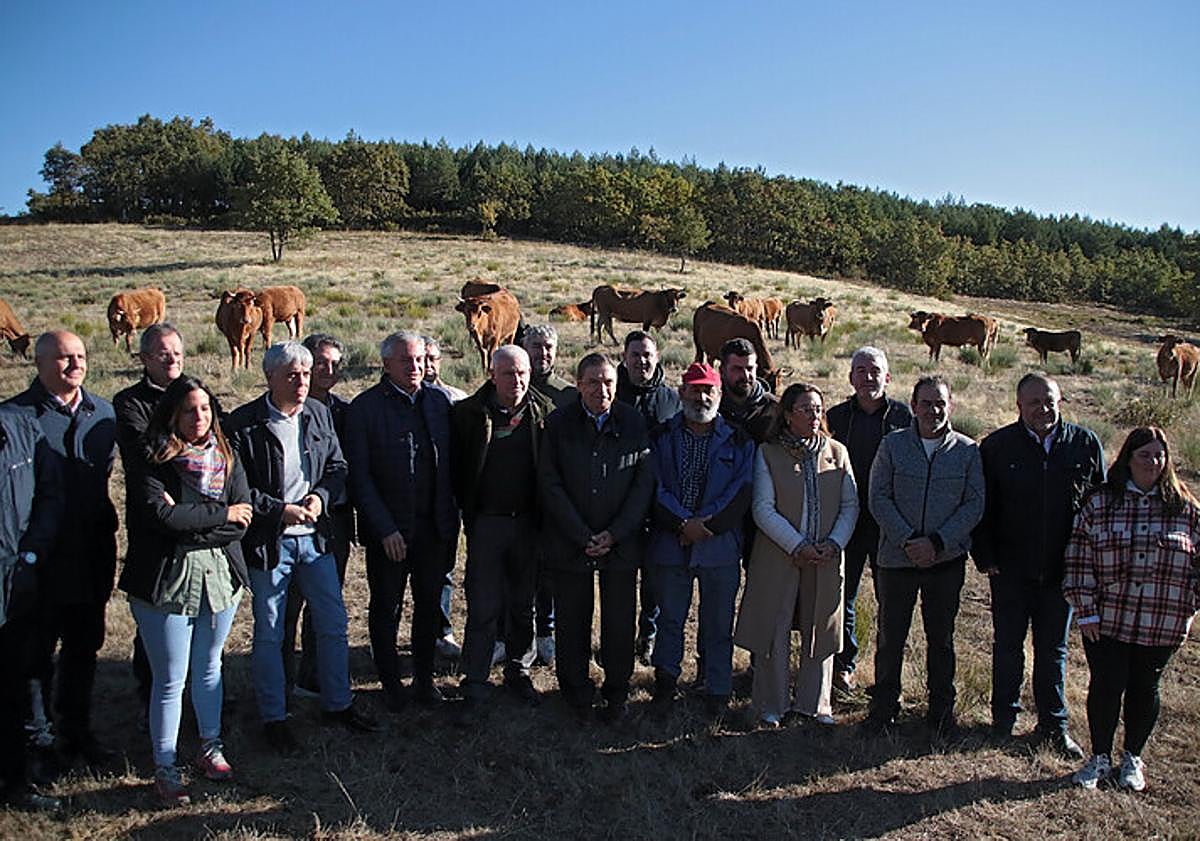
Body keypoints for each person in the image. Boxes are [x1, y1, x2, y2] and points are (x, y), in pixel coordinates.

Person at [227, 342, 375, 755]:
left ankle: (338, 704)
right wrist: (280, 511)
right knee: (271, 633)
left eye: (306, 375)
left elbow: (337, 467)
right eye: (292, 375)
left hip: (317, 538)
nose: (302, 382)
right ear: (269, 377)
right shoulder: (243, 425)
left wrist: (320, 499)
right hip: (271, 544)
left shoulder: (318, 413)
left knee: (333, 623)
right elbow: (237, 492)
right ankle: (275, 717)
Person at [119, 376, 252, 806]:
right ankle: (165, 765)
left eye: (206, 409)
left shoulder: (225, 455)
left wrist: (194, 520)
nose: (200, 418)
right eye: (190, 410)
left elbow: (242, 515)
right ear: (172, 415)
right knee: (171, 678)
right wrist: (217, 516)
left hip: (219, 578)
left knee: (210, 666)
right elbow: (160, 517)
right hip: (166, 580)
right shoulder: (152, 457)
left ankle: (210, 747)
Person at [973, 373, 1105, 757]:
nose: (1042, 409)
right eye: (1033, 402)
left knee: (1053, 650)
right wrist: (987, 557)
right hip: (1010, 568)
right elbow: (983, 507)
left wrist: (1090, 565)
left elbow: (1100, 506)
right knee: (1007, 646)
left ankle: (1053, 725)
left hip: (1063, 571)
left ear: (1060, 401)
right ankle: (1003, 721)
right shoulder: (997, 447)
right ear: (1018, 406)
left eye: (1049, 401)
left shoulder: (1083, 444)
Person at [1064, 426, 1200, 792]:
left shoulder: (1185, 509)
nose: (1153, 462)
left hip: (1162, 620)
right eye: (1144, 455)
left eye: (1159, 455)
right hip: (1108, 618)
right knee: (1106, 686)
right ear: (1128, 458)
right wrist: (1085, 609)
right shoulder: (1101, 503)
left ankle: (1132, 758)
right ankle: (1100, 758)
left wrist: (1189, 612)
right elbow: (1079, 558)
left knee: (1145, 687)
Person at [5, 331, 118, 767]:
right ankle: (37, 739)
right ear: (39, 364)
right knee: (34, 655)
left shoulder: (101, 413)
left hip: (91, 552)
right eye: (64, 358)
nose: (75, 365)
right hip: (39, 557)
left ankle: (77, 730)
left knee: (84, 646)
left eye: (81, 356)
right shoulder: (16, 418)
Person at [864, 375, 984, 735]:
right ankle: (883, 709)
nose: (933, 410)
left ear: (951, 407)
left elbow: (974, 504)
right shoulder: (893, 446)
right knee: (890, 638)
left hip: (944, 562)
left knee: (941, 638)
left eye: (940, 403)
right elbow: (878, 497)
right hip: (896, 560)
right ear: (913, 407)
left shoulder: (967, 451)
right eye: (926, 403)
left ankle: (941, 712)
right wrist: (908, 540)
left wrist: (937, 542)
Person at [344, 332, 458, 711]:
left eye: (422, 360)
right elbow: (359, 477)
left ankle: (424, 680)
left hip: (433, 529)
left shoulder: (439, 402)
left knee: (428, 606)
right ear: (386, 364)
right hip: (389, 533)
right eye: (407, 361)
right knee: (386, 608)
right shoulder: (365, 409)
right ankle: (391, 683)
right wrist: (384, 528)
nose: (417, 368)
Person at [539, 352, 654, 723]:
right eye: (592, 382)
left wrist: (615, 533)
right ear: (578, 385)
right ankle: (575, 692)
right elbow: (550, 484)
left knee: (619, 622)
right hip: (570, 541)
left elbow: (643, 484)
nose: (601, 389)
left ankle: (616, 692)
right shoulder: (559, 423)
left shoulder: (634, 422)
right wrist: (580, 533)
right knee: (572, 619)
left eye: (607, 382)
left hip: (619, 543)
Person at [734, 384, 858, 727]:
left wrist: (833, 543)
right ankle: (770, 705)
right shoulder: (768, 453)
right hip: (779, 555)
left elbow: (850, 504)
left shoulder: (838, 452)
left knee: (821, 627)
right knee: (774, 626)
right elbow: (763, 508)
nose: (814, 415)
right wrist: (796, 545)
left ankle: (815, 705)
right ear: (787, 416)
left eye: (818, 409)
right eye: (805, 409)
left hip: (826, 556)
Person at [451, 345, 554, 725]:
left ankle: (518, 669)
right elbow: (456, 469)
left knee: (522, 601)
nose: (518, 381)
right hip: (487, 523)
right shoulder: (468, 415)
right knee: (483, 602)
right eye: (510, 374)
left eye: (524, 374)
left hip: (529, 523)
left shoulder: (544, 414)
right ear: (493, 375)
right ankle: (475, 678)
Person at [647, 363, 754, 718]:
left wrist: (706, 526)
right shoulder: (661, 435)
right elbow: (653, 485)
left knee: (718, 622)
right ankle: (665, 685)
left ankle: (717, 689)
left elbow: (742, 490)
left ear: (720, 394)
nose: (701, 397)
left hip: (719, 546)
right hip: (670, 542)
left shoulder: (739, 440)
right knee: (670, 619)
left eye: (708, 390)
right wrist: (681, 522)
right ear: (681, 393)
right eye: (694, 390)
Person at [825, 347, 911, 697]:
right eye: (860, 370)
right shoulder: (835, 417)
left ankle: (888, 678)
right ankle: (844, 666)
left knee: (891, 602)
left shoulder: (905, 419)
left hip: (891, 525)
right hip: (846, 522)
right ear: (850, 378)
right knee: (841, 598)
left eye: (874, 370)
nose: (867, 377)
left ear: (887, 377)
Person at [113, 323, 186, 721]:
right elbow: (146, 451)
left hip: (197, 520)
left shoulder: (197, 392)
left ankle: (192, 694)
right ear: (143, 358)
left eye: (176, 351)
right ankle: (149, 693)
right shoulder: (129, 402)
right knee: (155, 610)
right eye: (162, 353)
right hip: (154, 523)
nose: (171, 359)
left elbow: (223, 450)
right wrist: (194, 449)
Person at [284, 333, 356, 699]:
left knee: (325, 601)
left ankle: (312, 675)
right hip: (288, 521)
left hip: (335, 519)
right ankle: (282, 677)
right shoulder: (280, 411)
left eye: (334, 364)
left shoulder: (344, 411)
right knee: (286, 605)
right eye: (320, 363)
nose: (328, 371)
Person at [0, 404, 64, 811]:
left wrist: (31, 555)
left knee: (14, 681)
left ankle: (16, 780)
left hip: (16, 577)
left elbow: (49, 494)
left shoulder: (20, 428)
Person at [616, 330, 681, 665]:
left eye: (647, 355)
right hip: (619, 504)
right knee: (622, 578)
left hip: (660, 505)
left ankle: (649, 633)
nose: (641, 361)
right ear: (624, 358)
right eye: (635, 355)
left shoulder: (671, 399)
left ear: (657, 358)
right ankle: (620, 639)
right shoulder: (611, 394)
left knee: (655, 578)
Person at [522, 323, 577, 666]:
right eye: (535, 346)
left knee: (550, 572)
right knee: (519, 570)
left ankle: (547, 632)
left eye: (548, 347)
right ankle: (518, 634)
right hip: (518, 495)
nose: (542, 353)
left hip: (557, 498)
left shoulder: (568, 395)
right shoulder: (510, 384)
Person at [424, 335, 465, 659]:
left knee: (444, 570)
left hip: (447, 500)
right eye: (420, 358)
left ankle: (442, 631)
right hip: (409, 502)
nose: (426, 366)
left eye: (432, 359)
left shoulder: (456, 400)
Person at [717, 338, 778, 445]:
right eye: (737, 369)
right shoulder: (711, 408)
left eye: (750, 368)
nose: (745, 376)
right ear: (722, 371)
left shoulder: (773, 409)